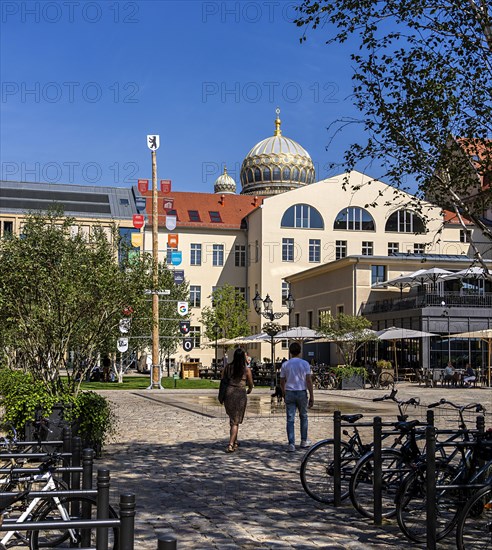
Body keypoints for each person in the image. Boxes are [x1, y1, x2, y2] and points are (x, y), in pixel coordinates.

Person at [280, 342, 314, 452]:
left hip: (289, 391)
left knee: (290, 419)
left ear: (290, 352)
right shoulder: (304, 364)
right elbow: (308, 380)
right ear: (300, 351)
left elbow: (282, 381)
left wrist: (284, 392)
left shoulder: (285, 364)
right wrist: (312, 395)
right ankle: (303, 440)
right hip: (301, 392)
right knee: (303, 416)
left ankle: (291, 443)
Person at [222, 348, 254, 453]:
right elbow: (250, 383)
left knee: (233, 419)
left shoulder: (228, 367)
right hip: (240, 394)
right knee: (235, 421)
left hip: (229, 393)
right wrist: (249, 389)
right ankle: (231, 444)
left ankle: (235, 442)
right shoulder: (246, 369)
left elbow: (223, 379)